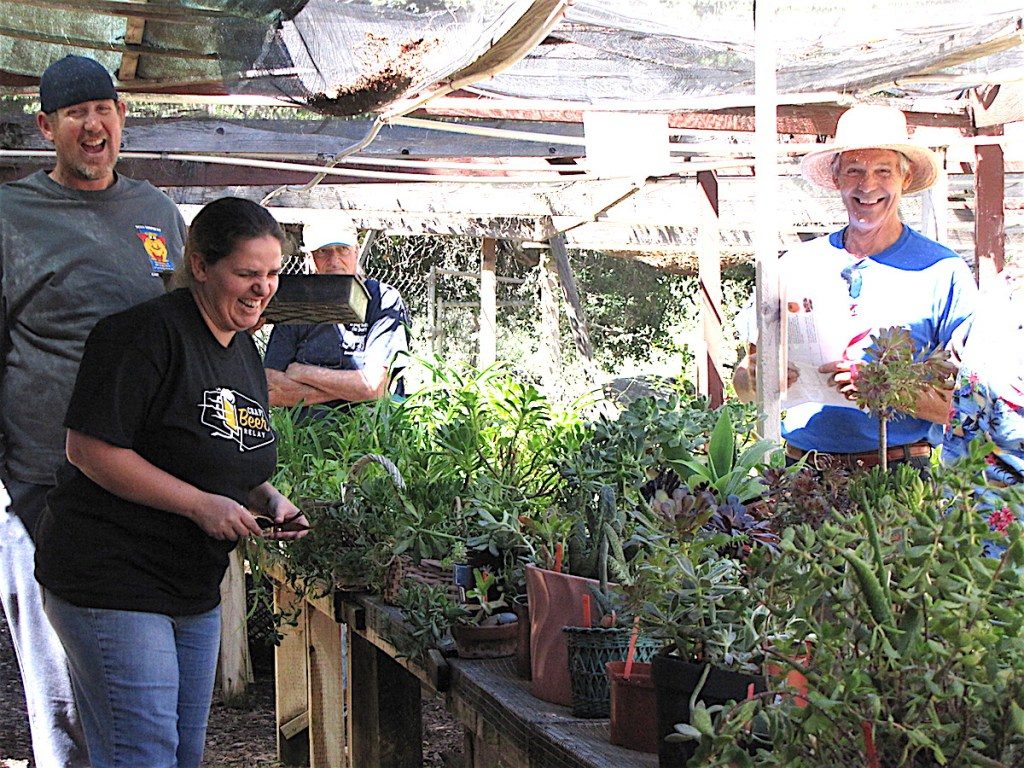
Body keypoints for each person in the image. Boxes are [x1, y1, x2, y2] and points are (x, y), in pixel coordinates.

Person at [33, 197, 308, 768]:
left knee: (182, 753)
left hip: (191, 583)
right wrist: (198, 506)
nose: (262, 289)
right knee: (143, 754)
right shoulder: (141, 335)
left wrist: (270, 499)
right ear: (200, 266)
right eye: (246, 274)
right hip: (112, 576)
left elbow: (229, 454)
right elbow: (88, 449)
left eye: (272, 274)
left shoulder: (242, 350)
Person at [0, 55, 186, 767]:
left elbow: (185, 338)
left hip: (145, 489)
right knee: (65, 702)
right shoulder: (12, 216)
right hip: (44, 487)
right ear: (47, 126)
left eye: (104, 108)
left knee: (140, 693)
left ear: (122, 118)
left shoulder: (157, 214)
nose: (93, 124)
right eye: (75, 113)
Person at [732, 104, 976, 470]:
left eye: (883, 171)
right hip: (801, 472)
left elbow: (969, 404)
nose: (867, 186)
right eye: (855, 171)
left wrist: (882, 387)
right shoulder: (795, 264)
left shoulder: (942, 271)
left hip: (896, 473)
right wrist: (756, 378)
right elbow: (743, 381)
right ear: (837, 178)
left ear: (904, 179)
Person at [263, 217, 411, 415]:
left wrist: (303, 372)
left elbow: (375, 386)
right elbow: (271, 390)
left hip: (369, 438)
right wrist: (351, 389)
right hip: (304, 439)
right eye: (323, 251)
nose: (334, 261)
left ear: (356, 252)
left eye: (342, 249)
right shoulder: (297, 303)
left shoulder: (383, 300)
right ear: (310, 258)